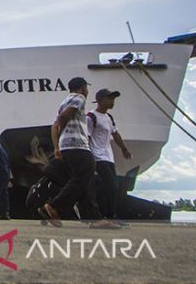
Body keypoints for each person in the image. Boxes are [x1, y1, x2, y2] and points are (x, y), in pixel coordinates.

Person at [40, 77, 120, 229]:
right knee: (81, 177)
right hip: (77, 145)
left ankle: (93, 218)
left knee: (85, 180)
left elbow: (55, 124)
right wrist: (65, 134)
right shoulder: (79, 98)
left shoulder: (64, 102)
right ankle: (53, 206)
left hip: (67, 146)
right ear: (83, 88)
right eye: (87, 89)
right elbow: (63, 119)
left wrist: (57, 146)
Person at [87, 88, 132, 222]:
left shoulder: (109, 117)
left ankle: (104, 215)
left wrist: (124, 149)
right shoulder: (91, 117)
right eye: (110, 98)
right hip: (97, 156)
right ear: (100, 100)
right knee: (112, 185)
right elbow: (87, 137)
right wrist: (89, 156)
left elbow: (115, 134)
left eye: (113, 99)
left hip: (108, 156)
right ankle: (109, 216)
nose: (112, 101)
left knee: (110, 186)